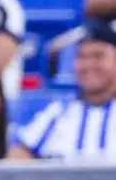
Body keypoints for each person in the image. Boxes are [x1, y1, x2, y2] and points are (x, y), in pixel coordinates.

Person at [9, 20, 116, 162]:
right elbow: (17, 155)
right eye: (82, 57)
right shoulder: (57, 112)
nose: (88, 65)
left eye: (98, 56)